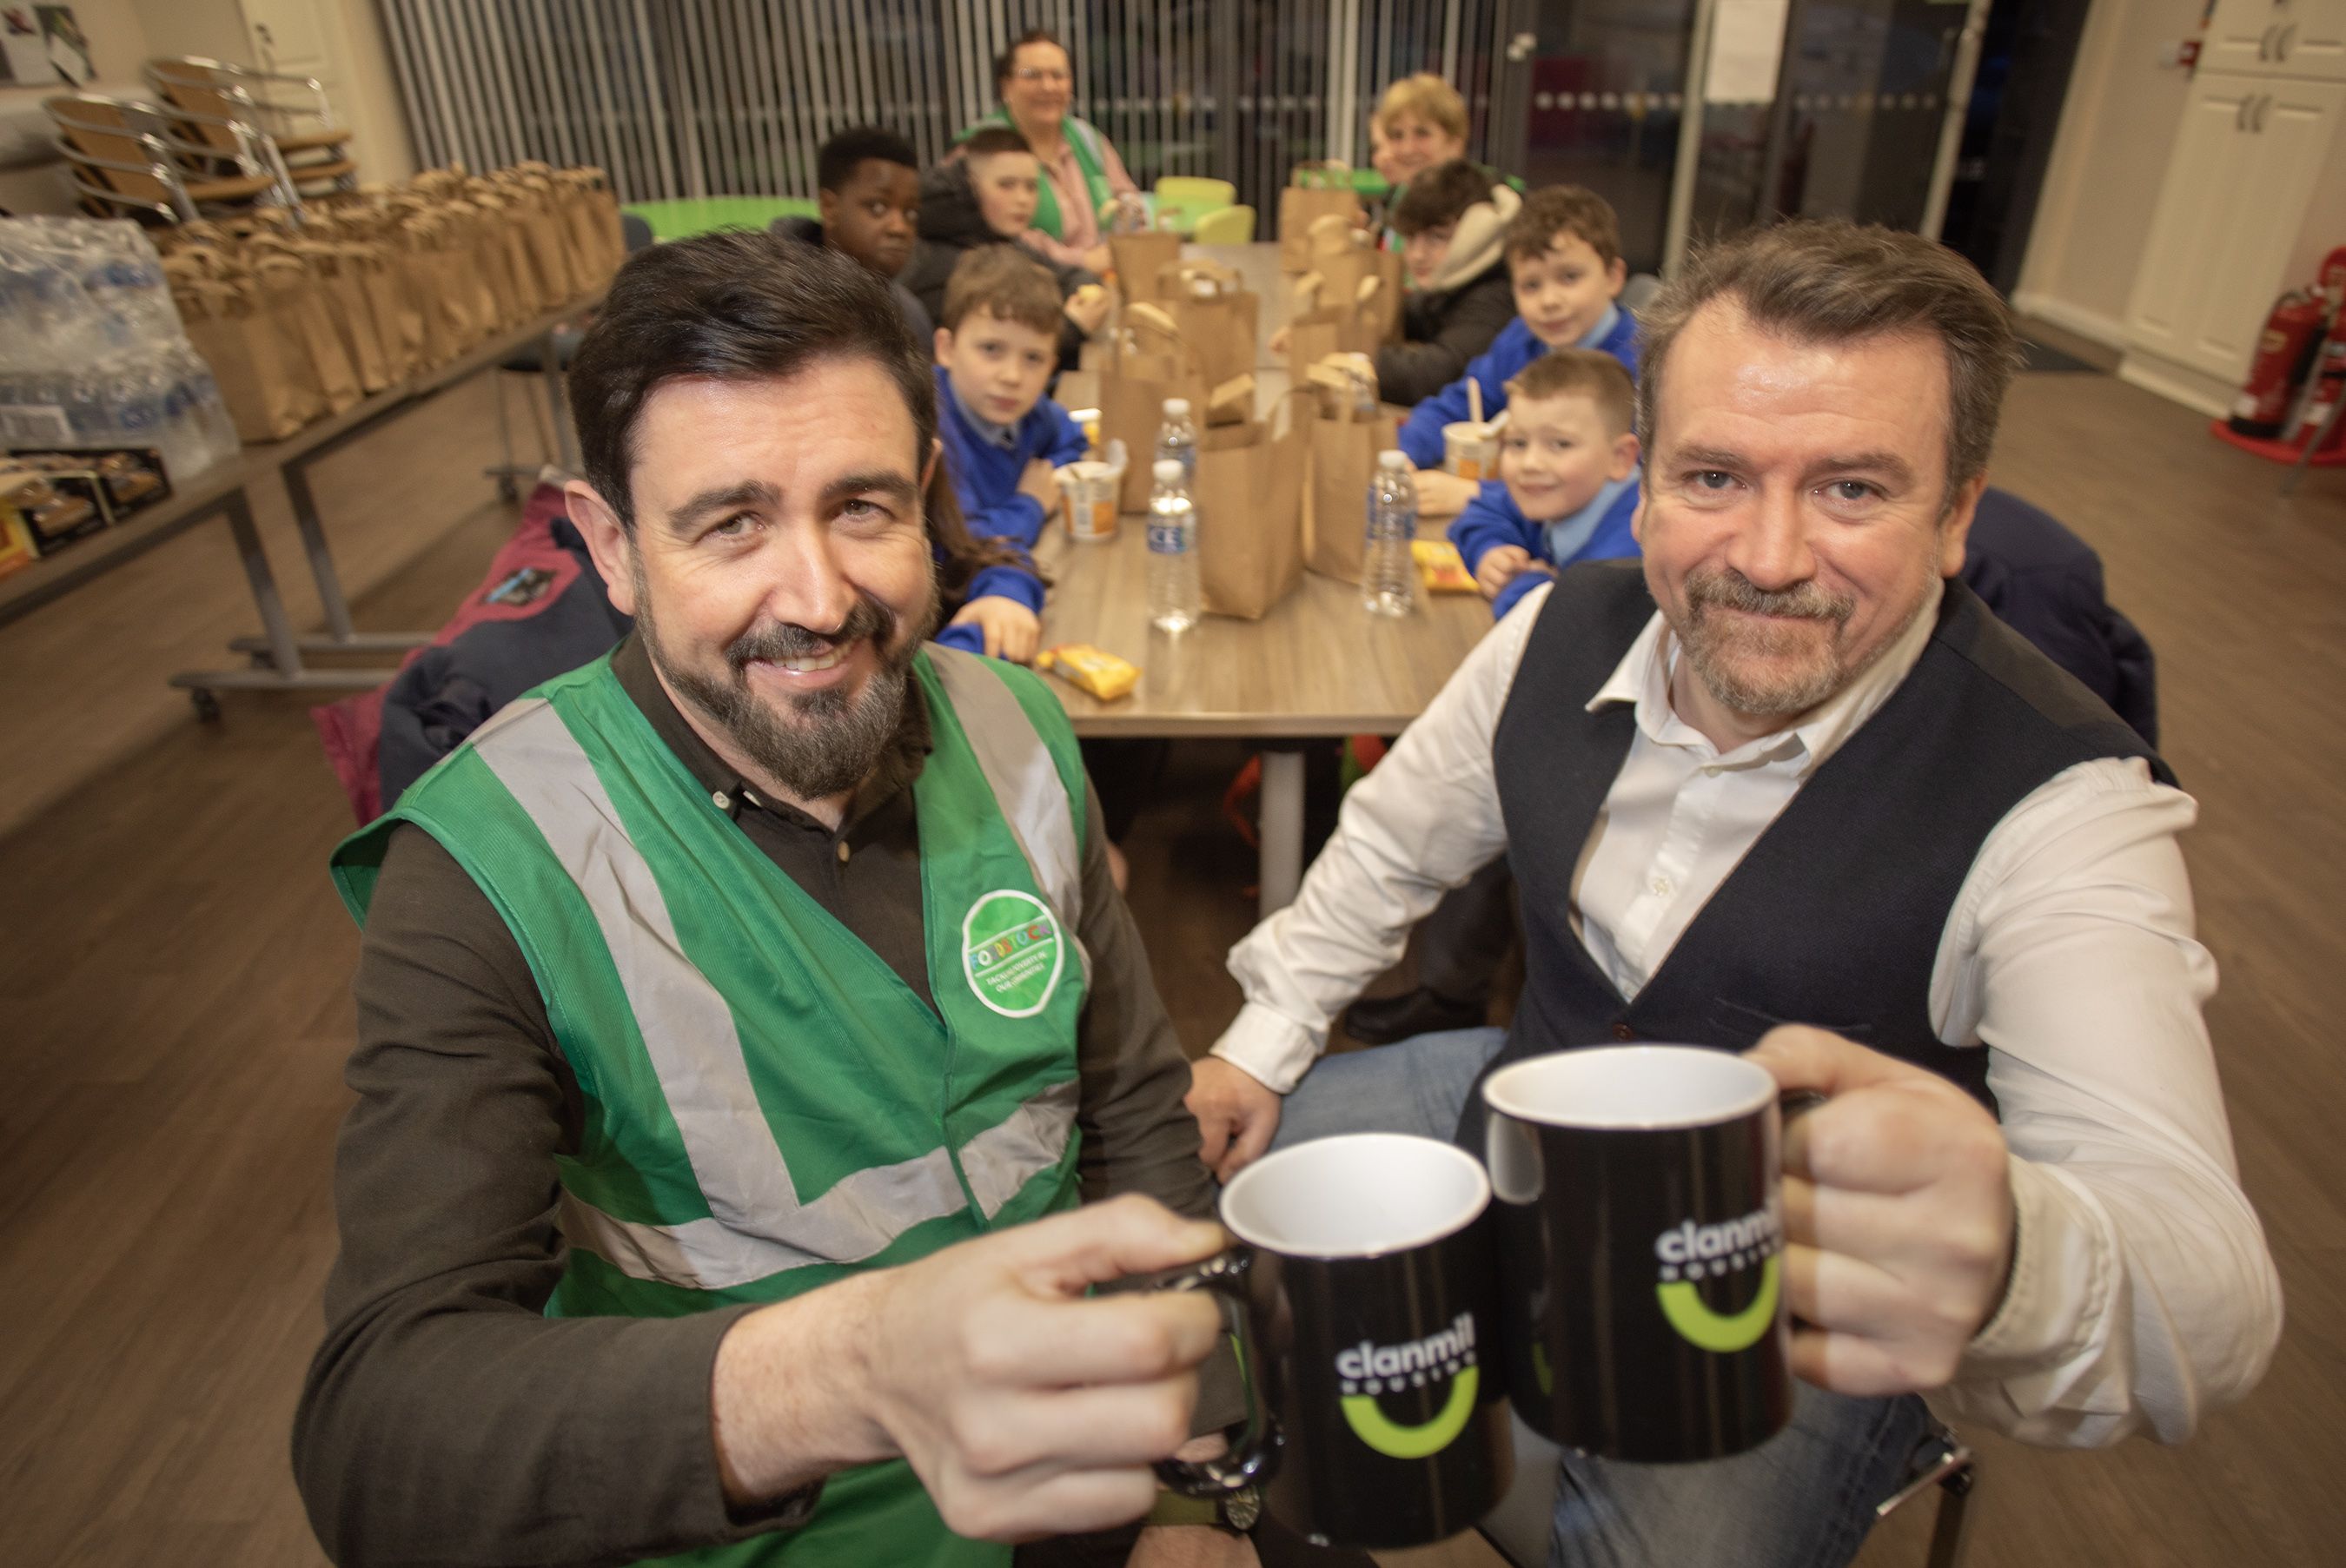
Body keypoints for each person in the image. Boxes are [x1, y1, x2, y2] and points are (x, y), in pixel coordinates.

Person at [1187, 220, 2282, 1566]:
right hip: (1531, 1093)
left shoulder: (2065, 804)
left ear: (1957, 519)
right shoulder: (1549, 632)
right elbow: (1388, 851)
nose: (1766, 560)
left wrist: (2006, 1253)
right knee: (1234, 1198)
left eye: (1854, 491)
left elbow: (2208, 1299)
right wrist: (1258, 1040)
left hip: (1784, 1279)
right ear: (1642, 484)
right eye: (1715, 474)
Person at [292, 232, 1259, 1568]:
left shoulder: (1022, 728)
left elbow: (1138, 1116)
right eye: (731, 523)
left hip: (1092, 1470)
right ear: (611, 549)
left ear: (928, 497)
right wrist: (846, 1374)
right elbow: (380, 1446)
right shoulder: (485, 865)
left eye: (862, 507)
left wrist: (1191, 1486)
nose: (818, 599)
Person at [1346, 349, 1644, 1048]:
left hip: (1616, 754)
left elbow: (1570, 630)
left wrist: (1524, 594)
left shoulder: (1624, 544)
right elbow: (1485, 510)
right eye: (1517, 442)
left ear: (1622, 458)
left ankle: (1481, 1002)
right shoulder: (1566, 491)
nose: (1530, 463)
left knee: (1498, 806)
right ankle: (1460, 989)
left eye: (1559, 445)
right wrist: (1491, 553)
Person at [1397, 186, 1639, 516]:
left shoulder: (1637, 366)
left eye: (1569, 277)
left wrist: (1477, 494)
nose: (1550, 301)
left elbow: (1613, 487)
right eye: (1531, 285)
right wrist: (1405, 454)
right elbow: (1459, 403)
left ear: (1613, 277)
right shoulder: (1522, 340)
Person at [931, 247, 1090, 666]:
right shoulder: (930, 430)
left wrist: (1048, 475)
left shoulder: (1029, 411)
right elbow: (965, 544)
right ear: (946, 349)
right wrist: (1030, 504)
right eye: (991, 350)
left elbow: (1071, 438)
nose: (1012, 376)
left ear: (1052, 366)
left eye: (1033, 358)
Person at [904, 126, 1111, 376]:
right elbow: (980, 368)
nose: (1023, 199)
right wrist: (1070, 327)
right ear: (971, 186)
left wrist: (1084, 295)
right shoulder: (942, 260)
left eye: (1031, 187)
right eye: (1007, 185)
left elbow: (1071, 276)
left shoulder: (999, 237)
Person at [964, 29, 1138, 274]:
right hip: (1026, 285)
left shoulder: (1088, 138)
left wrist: (1129, 227)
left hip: (1103, 280)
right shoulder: (981, 146)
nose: (1048, 86)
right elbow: (987, 236)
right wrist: (1082, 261)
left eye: (1058, 75)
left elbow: (1127, 199)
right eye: (1032, 75)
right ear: (1006, 87)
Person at [769, 124, 933, 345]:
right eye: (878, 207)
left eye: (910, 213)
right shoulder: (776, 303)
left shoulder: (911, 314)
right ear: (829, 208)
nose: (899, 227)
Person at [1380, 159, 1523, 407]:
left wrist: (1350, 357)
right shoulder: (1462, 282)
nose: (1417, 255)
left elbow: (1436, 376)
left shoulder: (1494, 294)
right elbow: (1419, 311)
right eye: (1411, 238)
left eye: (1437, 238)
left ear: (1480, 231)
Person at [1373, 73, 1470, 191]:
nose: (1407, 149)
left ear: (1454, 144)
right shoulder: (1402, 193)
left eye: (1422, 134)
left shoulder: (1477, 203)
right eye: (1397, 135)